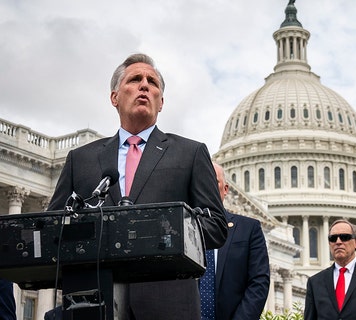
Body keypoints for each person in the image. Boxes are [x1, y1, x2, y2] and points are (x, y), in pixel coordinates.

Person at [47, 53, 228, 320]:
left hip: (168, 306)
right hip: (94, 304)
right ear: (114, 97)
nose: (145, 85)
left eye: (152, 82)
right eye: (135, 79)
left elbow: (216, 226)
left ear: (161, 102)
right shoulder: (81, 160)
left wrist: (161, 230)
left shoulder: (191, 153)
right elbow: (54, 229)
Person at [199, 163, 270, 320]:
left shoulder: (249, 229)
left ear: (225, 190)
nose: (207, 186)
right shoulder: (180, 227)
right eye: (203, 181)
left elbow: (258, 282)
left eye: (213, 181)